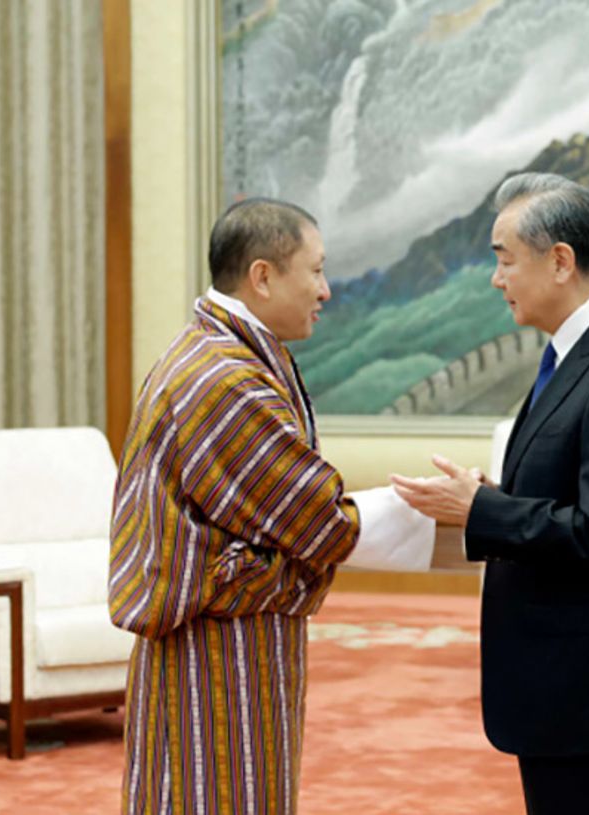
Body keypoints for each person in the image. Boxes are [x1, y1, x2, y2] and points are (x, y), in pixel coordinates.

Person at [108, 198, 430, 815]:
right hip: (214, 651)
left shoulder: (220, 353)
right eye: (315, 271)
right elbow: (318, 521)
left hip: (231, 641)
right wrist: (452, 515)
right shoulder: (219, 378)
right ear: (262, 276)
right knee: (215, 798)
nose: (327, 290)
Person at [391, 173, 589, 815]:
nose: (496, 279)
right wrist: (488, 497)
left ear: (559, 261)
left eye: (504, 261)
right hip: (566, 679)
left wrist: (480, 510)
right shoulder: (580, 351)